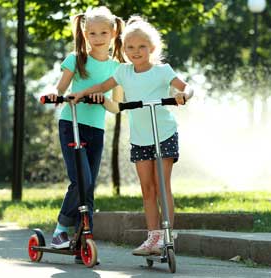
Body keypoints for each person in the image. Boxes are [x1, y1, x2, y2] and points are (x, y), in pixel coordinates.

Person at [71, 15, 194, 256]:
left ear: (152, 48)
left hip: (164, 134)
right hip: (139, 138)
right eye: (130, 47)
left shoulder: (162, 71)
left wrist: (183, 95)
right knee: (147, 189)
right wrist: (82, 93)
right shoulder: (123, 72)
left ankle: (167, 236)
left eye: (141, 47)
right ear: (123, 49)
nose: (135, 51)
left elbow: (187, 87)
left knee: (161, 186)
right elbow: (102, 87)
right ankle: (152, 237)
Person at [45, 6, 124, 256]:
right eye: (92, 33)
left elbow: (116, 107)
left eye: (103, 32)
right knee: (82, 180)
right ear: (84, 33)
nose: (97, 38)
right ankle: (60, 230)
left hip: (96, 129)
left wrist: (103, 99)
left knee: (89, 186)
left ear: (113, 33)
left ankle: (83, 235)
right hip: (72, 124)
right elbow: (60, 91)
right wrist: (54, 96)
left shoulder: (117, 68)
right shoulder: (75, 59)